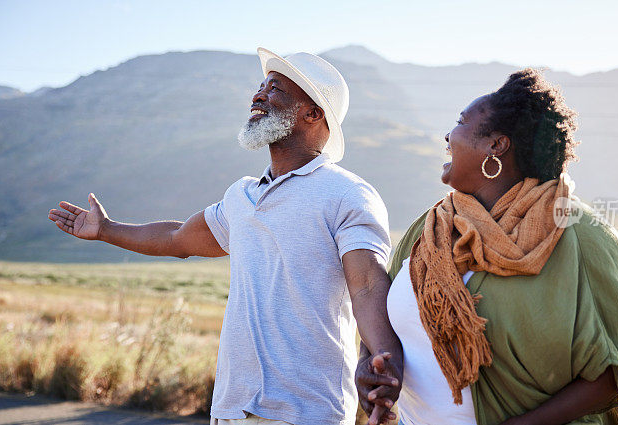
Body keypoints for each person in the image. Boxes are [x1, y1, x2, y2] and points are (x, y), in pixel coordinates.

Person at [48, 47, 403, 425]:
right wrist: (106, 230)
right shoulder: (242, 195)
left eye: (276, 88)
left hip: (307, 411)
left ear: (313, 113)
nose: (258, 95)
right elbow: (178, 238)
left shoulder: (347, 193)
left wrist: (382, 361)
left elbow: (367, 285)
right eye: (260, 85)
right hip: (232, 409)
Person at [356, 69, 618, 425]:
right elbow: (383, 320)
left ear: (496, 146)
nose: (447, 134)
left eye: (460, 122)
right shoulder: (430, 229)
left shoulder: (579, 235)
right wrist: (371, 366)